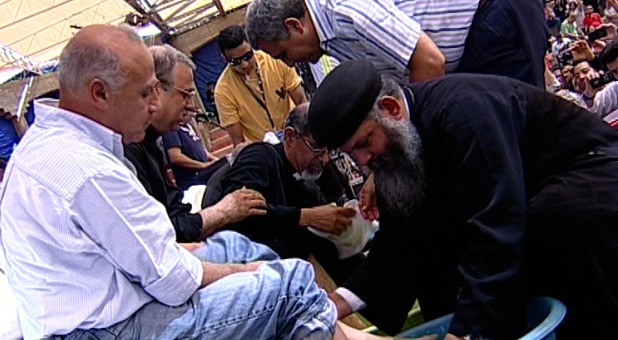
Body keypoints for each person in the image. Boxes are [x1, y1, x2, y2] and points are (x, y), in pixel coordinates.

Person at [0, 24, 374, 340]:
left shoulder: (44, 147)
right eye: (146, 92)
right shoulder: (88, 169)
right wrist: (244, 273)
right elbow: (171, 280)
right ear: (99, 93)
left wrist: (229, 262)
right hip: (111, 328)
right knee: (291, 282)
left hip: (92, 311)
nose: (152, 104)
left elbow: (141, 253)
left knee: (236, 247)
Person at [308, 60, 618, 338]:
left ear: (391, 110)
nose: (363, 161)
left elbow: (496, 226)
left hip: (592, 179)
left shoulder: (463, 113)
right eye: (353, 154)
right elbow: (400, 243)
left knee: (550, 224)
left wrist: (463, 333)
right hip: (532, 201)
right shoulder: (393, 154)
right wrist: (336, 304)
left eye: (364, 143)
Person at [204, 103, 362, 284]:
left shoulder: (307, 178)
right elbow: (237, 213)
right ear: (289, 137)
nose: (324, 159)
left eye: (328, 151)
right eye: (317, 148)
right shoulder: (261, 156)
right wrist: (303, 217)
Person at [124, 44, 265, 242]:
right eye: (185, 95)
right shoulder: (128, 150)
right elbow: (167, 233)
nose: (191, 107)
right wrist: (223, 211)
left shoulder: (149, 143)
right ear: (155, 90)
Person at [245, 0, 548, 86]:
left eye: (283, 54)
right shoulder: (332, 43)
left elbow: (429, 62)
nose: (288, 64)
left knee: (520, 130)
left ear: (294, 26)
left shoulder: (343, 12)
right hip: (473, 45)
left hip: (495, 19)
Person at [214, 24, 307, 146]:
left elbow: (301, 100)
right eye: (235, 61)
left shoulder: (275, 60)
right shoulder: (223, 91)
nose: (244, 65)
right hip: (263, 147)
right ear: (224, 59)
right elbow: (238, 142)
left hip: (295, 133)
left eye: (247, 56)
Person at [163, 110, 222, 190]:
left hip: (203, 172)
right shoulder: (172, 130)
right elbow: (175, 156)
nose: (192, 114)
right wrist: (202, 165)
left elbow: (200, 149)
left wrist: (215, 160)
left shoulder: (188, 126)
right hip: (193, 180)